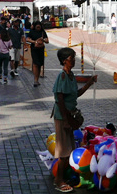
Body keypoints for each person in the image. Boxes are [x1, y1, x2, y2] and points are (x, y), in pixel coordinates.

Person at [52, 47, 97, 193]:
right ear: (65, 61)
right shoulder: (63, 76)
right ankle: (58, 181)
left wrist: (89, 83)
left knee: (69, 150)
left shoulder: (70, 75)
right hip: (63, 117)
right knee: (63, 153)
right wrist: (66, 119)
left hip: (69, 116)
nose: (74, 60)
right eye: (72, 58)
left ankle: (61, 178)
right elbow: (59, 98)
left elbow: (75, 94)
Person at [26, 21, 49, 87]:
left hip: (41, 50)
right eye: (37, 26)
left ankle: (37, 79)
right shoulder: (32, 31)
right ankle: (35, 80)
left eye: (39, 26)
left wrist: (43, 40)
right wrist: (34, 42)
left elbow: (47, 41)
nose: (38, 27)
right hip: (34, 50)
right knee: (35, 64)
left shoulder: (42, 32)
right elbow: (27, 39)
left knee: (39, 64)